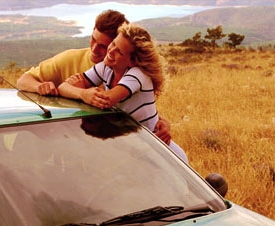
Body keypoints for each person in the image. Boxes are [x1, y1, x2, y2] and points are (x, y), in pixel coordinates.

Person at [17, 10, 174, 147]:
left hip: (114, 144)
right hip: (76, 141)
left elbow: (133, 108)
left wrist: (162, 122)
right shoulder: (74, 60)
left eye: (103, 46)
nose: (94, 49)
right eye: (93, 39)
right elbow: (22, 81)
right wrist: (42, 88)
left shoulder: (131, 73)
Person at [58, 23, 188, 162]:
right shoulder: (106, 67)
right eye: (113, 43)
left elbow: (107, 100)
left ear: (132, 61)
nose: (111, 51)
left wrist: (81, 90)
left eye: (119, 51)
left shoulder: (138, 74)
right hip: (136, 149)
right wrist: (82, 94)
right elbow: (63, 87)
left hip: (161, 153)